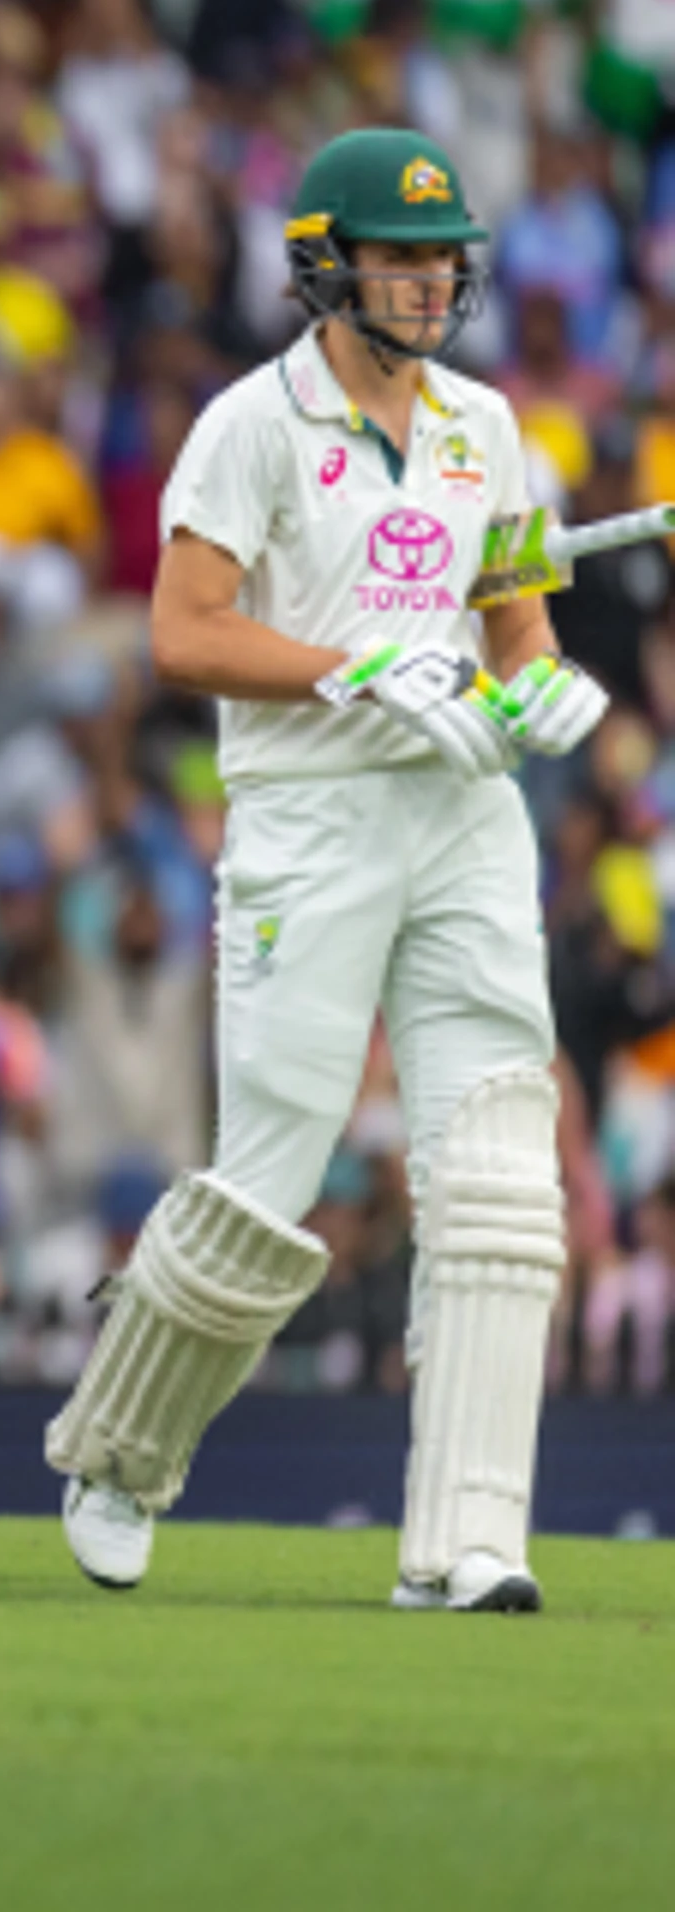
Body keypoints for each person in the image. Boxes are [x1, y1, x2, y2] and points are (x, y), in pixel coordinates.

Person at [46, 130, 598, 1614]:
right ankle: (120, 1452)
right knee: (272, 1166)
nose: (430, 282)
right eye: (401, 255)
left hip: (465, 821)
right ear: (326, 264)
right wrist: (355, 670)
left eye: (442, 256)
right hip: (311, 819)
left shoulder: (489, 425)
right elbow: (184, 633)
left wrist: (541, 690)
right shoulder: (251, 423)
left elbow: (517, 623)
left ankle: (471, 1536)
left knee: (494, 1173)